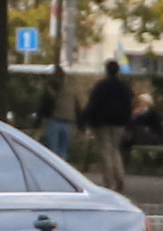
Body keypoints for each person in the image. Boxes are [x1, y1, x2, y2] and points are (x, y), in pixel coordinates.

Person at [82, 59, 135, 191]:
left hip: (102, 123)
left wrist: (88, 120)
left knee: (105, 150)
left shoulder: (101, 86)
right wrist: (128, 123)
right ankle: (120, 176)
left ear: (107, 70)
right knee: (115, 149)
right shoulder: (124, 87)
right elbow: (129, 105)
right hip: (119, 123)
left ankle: (109, 180)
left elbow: (93, 104)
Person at [39, 68, 81, 161]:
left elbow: (44, 105)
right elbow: (77, 107)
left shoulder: (51, 89)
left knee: (52, 150)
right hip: (68, 121)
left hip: (54, 120)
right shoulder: (72, 89)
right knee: (63, 150)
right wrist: (80, 124)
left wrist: (39, 120)